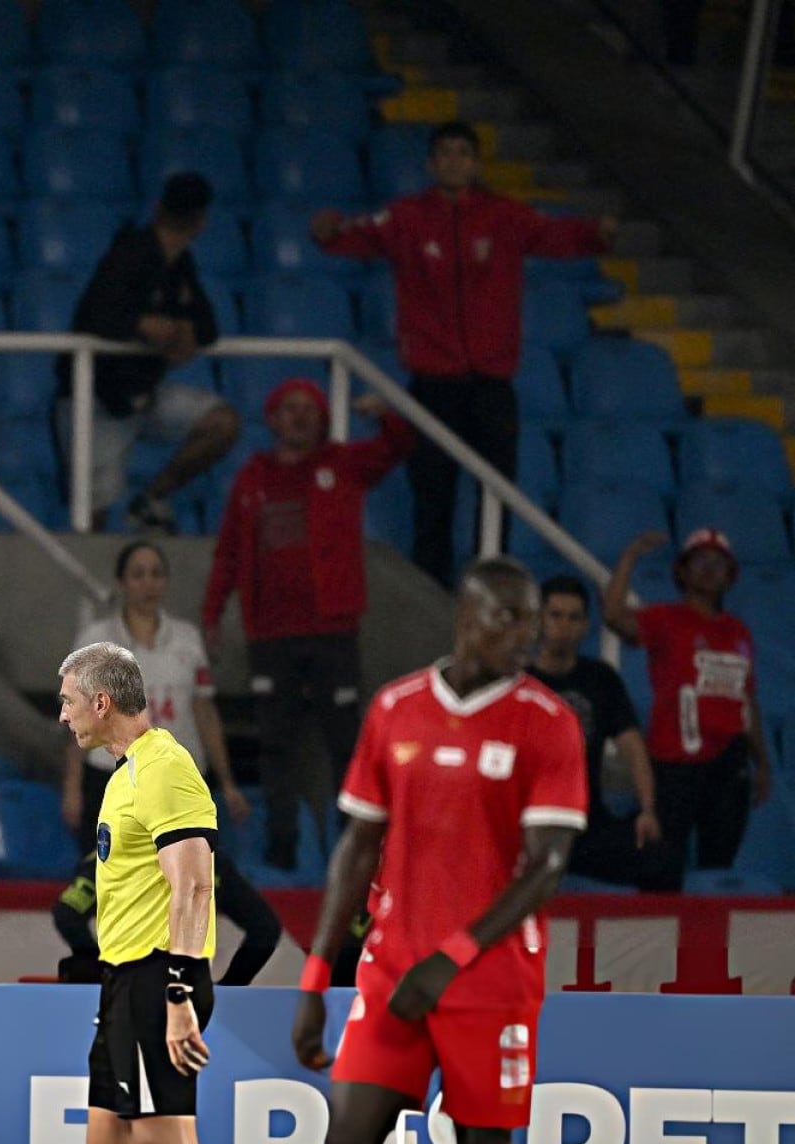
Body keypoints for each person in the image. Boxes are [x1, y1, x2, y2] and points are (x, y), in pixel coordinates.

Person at [288, 558, 587, 1144]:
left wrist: (451, 957)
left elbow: (547, 868)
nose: (521, 634)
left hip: (488, 979)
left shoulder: (546, 723)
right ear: (466, 613)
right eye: (507, 616)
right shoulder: (395, 708)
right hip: (389, 965)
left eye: (529, 621)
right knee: (345, 1142)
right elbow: (354, 846)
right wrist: (315, 973)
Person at [313, 121, 614, 586]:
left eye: (463, 153)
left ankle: (489, 587)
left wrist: (596, 235)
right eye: (445, 153)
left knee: (498, 494)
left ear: (475, 164)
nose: (454, 161)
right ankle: (429, 592)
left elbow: (554, 234)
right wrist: (327, 234)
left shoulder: (505, 216)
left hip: (492, 386)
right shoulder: (407, 217)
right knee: (432, 497)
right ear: (431, 164)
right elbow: (353, 235)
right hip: (432, 386)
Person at [44, 642, 217, 1144]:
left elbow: (195, 884)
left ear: (102, 702)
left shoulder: (169, 770)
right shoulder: (123, 777)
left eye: (67, 701)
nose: (62, 715)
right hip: (121, 978)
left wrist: (178, 992)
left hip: (158, 977)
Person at [202, 382, 415, 872]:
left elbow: (401, 445)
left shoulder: (342, 466)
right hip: (270, 634)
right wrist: (213, 613)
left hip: (331, 629)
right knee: (275, 744)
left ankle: (353, 851)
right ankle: (282, 852)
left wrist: (385, 413)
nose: (299, 418)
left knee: (344, 743)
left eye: (308, 410)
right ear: (272, 418)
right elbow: (230, 552)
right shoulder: (252, 478)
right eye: (289, 409)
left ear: (322, 421)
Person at [57, 172, 241, 533]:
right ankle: (98, 587)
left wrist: (186, 331)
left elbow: (208, 328)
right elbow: (94, 317)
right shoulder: (129, 252)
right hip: (97, 400)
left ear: (158, 208)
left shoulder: (181, 265)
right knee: (91, 523)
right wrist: (140, 325)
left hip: (145, 396)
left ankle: (152, 497)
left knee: (222, 423)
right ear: (202, 223)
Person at [605, 528, 771, 872]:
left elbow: (747, 698)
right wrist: (631, 555)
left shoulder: (738, 632)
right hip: (674, 762)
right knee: (662, 864)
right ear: (681, 570)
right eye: (700, 560)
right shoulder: (664, 618)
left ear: (730, 575)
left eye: (718, 562)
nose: (709, 569)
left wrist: (762, 760)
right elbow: (613, 616)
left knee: (719, 866)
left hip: (729, 763)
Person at [66, 540, 247, 843]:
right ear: (121, 583)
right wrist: (72, 787)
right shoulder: (95, 641)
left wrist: (227, 782)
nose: (148, 583)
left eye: (156, 574)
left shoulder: (188, 640)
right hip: (112, 775)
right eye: (138, 575)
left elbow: (204, 713)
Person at [528, 575, 677, 890]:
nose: (564, 625)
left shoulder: (600, 679)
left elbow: (634, 749)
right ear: (538, 620)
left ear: (585, 626)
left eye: (574, 617)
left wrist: (648, 810)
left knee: (658, 857)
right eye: (555, 615)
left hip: (587, 825)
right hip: (526, 827)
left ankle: (649, 941)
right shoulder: (516, 682)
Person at [51, 845, 280, 987]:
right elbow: (67, 913)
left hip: (181, 994)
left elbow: (266, 929)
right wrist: (99, 967)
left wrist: (231, 987)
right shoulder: (113, 857)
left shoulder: (211, 862)